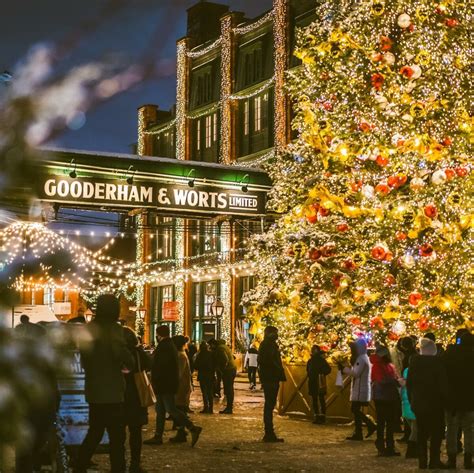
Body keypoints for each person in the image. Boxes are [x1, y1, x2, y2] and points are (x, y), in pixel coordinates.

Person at [75, 294, 134, 473]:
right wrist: (127, 360)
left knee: (95, 432)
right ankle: (118, 469)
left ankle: (79, 465)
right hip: (113, 392)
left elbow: (84, 359)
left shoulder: (88, 329)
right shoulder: (113, 329)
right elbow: (121, 354)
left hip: (94, 390)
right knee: (117, 438)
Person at [144, 325, 202, 446]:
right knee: (161, 410)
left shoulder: (165, 346)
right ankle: (158, 436)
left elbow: (160, 365)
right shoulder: (170, 346)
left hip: (164, 384)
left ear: (158, 334)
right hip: (164, 383)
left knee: (170, 409)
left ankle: (192, 427)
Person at [407, 338, 448, 469]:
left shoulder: (414, 363)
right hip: (435, 404)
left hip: (418, 403)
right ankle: (434, 460)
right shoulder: (438, 364)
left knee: (421, 433)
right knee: (436, 433)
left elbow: (409, 385)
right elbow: (443, 386)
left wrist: (412, 401)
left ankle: (422, 461)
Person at [122, 327, 152, 473]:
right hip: (136, 396)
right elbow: (148, 364)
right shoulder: (139, 353)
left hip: (120, 396)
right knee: (135, 433)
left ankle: (119, 463)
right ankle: (135, 463)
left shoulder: (117, 353)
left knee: (118, 433)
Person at [444, 331, 474, 470]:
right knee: (469, 430)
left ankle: (452, 459)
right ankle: (468, 459)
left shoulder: (450, 354)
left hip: (452, 400)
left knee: (451, 430)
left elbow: (444, 376)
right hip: (470, 400)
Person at [342, 338, 376, 441]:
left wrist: (345, 369)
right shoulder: (365, 357)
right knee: (356, 410)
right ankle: (359, 431)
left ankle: (368, 425)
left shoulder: (361, 359)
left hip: (360, 389)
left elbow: (356, 373)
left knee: (355, 409)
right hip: (361, 388)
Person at [370, 345, 401, 456]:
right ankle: (382, 446)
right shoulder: (377, 366)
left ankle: (389, 446)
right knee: (382, 423)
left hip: (389, 396)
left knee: (389, 423)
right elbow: (381, 380)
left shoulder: (388, 365)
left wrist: (397, 380)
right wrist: (395, 381)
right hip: (382, 397)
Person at [258, 325, 286, 442]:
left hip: (270, 377)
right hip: (271, 378)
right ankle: (269, 433)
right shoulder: (269, 345)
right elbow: (269, 361)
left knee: (269, 405)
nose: (276, 335)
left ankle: (269, 432)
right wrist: (278, 370)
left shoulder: (267, 344)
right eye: (275, 332)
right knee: (269, 405)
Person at [170, 335, 193, 443]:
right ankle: (181, 432)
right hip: (182, 386)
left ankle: (183, 432)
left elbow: (178, 373)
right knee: (179, 409)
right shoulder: (181, 354)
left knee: (179, 409)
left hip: (181, 387)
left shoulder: (180, 356)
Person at [306, 345, 331, 424]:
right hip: (315, 381)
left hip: (318, 381)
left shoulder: (319, 360)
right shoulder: (313, 360)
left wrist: (321, 373)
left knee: (319, 399)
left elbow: (328, 369)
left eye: (315, 350)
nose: (314, 351)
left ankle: (321, 417)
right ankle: (318, 416)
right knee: (316, 399)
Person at [399, 365, 418, 459]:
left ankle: (414, 450)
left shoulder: (405, 374)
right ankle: (411, 452)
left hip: (405, 405)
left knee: (413, 429)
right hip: (413, 405)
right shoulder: (416, 376)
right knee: (415, 430)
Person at [214, 339, 237, 414]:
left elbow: (225, 359)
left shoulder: (220, 348)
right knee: (229, 388)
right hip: (232, 369)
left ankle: (229, 408)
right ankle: (229, 407)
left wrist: (222, 369)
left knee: (228, 388)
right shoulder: (225, 347)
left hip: (228, 370)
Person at [193, 341, 215, 413]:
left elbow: (196, 365)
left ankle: (206, 407)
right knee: (210, 392)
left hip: (202, 375)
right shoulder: (211, 354)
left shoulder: (200, 355)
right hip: (210, 375)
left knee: (204, 392)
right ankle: (211, 408)